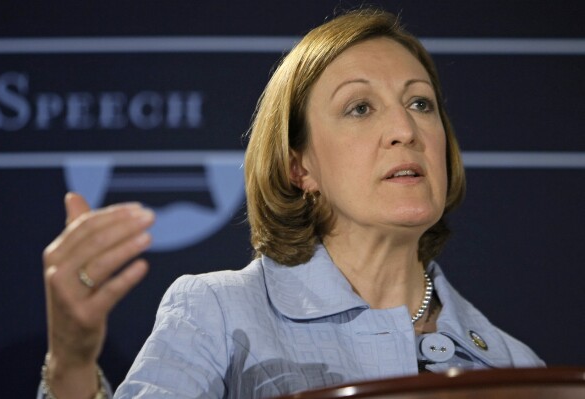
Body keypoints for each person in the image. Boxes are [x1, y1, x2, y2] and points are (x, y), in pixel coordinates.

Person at [38, 7, 544, 399]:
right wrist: (73, 364)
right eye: (360, 107)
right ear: (298, 167)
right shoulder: (218, 313)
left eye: (420, 103)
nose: (405, 131)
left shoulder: (518, 367)